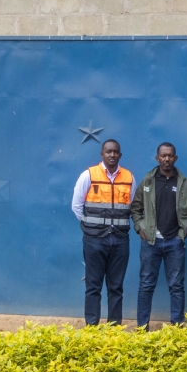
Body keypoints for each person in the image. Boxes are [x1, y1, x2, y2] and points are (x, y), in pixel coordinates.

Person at [129, 142, 187, 332]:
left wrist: (183, 234)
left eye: (170, 156)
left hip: (174, 241)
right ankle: (142, 329)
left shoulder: (184, 183)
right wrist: (140, 228)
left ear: (175, 158)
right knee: (146, 285)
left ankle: (177, 329)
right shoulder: (148, 181)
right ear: (157, 158)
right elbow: (135, 208)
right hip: (151, 242)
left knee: (176, 286)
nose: (167, 159)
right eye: (163, 156)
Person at [71, 139, 135, 326]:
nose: (112, 155)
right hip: (94, 240)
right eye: (108, 152)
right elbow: (76, 206)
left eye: (115, 152)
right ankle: (92, 327)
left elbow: (130, 205)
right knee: (93, 286)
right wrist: (92, 227)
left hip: (120, 240)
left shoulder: (129, 177)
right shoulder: (89, 175)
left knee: (116, 287)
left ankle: (113, 329)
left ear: (120, 155)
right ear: (102, 154)